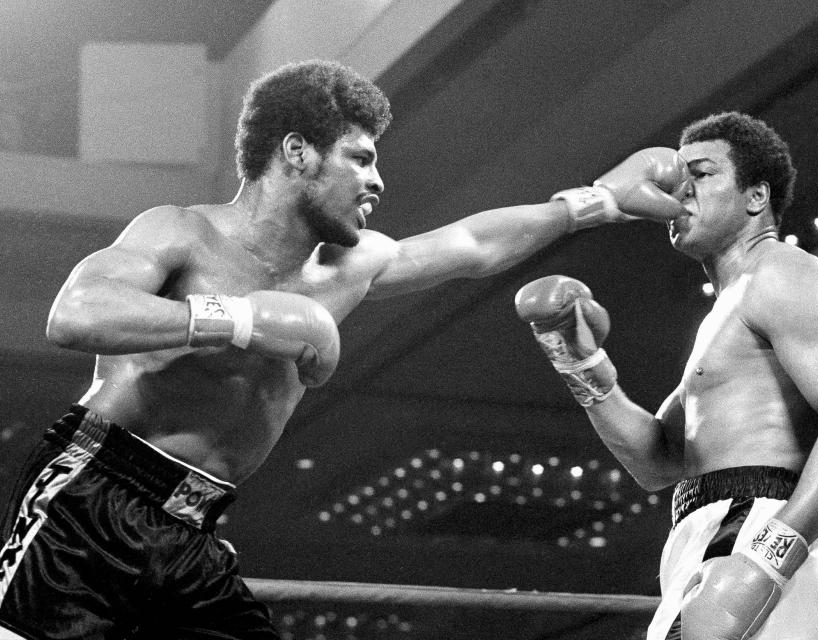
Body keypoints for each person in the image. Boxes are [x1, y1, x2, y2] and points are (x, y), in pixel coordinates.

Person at [0, 59, 690, 640]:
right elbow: (78, 313)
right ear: (297, 151)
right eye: (360, 158)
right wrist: (239, 319)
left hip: (194, 531)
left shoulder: (350, 269)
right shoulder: (180, 233)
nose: (377, 182)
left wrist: (599, 202)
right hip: (94, 494)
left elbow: (472, 245)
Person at [515, 111, 818, 640]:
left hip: (759, 526)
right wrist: (579, 363)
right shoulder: (727, 311)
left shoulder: (783, 273)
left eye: (702, 174)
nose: (677, 191)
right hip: (724, 528)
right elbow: (658, 461)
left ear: (756, 197)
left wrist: (766, 560)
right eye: (674, 177)